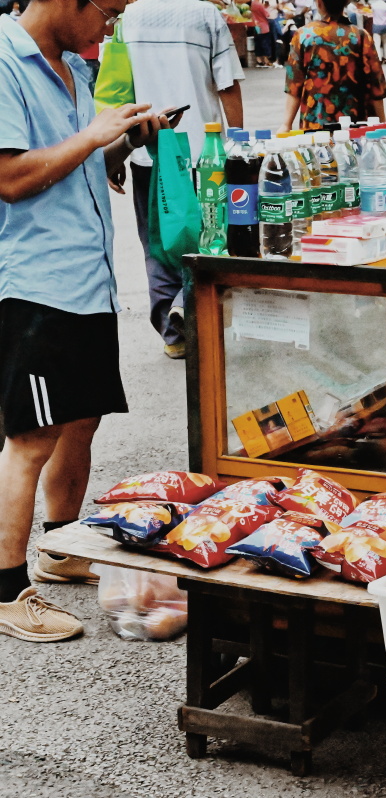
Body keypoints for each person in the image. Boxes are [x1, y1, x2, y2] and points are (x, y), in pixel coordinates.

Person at [0, 0, 172, 641]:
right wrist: (92, 136)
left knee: (80, 418)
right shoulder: (6, 62)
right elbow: (11, 177)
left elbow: (71, 163)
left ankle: (59, 546)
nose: (112, 26)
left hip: (87, 276)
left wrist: (125, 138)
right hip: (36, 281)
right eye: (109, 10)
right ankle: (8, 589)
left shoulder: (73, 65)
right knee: (31, 436)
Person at [122, 0, 245, 359]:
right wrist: (237, 143)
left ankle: (173, 332)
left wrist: (116, 152)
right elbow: (227, 84)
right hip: (203, 151)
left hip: (148, 149)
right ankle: (195, 312)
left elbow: (113, 89)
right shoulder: (205, 14)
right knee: (210, 233)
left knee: (158, 241)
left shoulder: (127, 17)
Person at [279, 0, 385, 132]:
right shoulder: (360, 36)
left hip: (315, 126)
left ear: (319, 3)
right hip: (356, 125)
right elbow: (376, 86)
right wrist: (382, 123)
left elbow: (294, 85)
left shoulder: (304, 35)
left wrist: (286, 124)